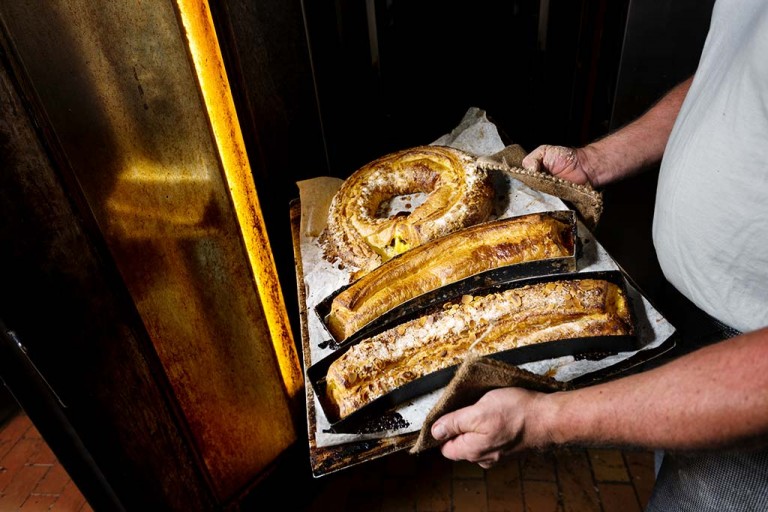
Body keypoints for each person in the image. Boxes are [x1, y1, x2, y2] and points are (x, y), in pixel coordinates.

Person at [430, 0, 768, 509]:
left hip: (748, 378)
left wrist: (539, 422)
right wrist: (594, 160)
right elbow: (733, 79)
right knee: (672, 467)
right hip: (686, 308)